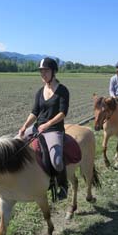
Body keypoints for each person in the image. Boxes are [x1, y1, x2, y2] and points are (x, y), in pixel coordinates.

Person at [18, 57, 69, 200]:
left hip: (54, 130)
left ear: (53, 72)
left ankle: (63, 186)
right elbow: (34, 112)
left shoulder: (62, 90)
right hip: (37, 128)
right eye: (41, 71)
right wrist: (24, 126)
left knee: (57, 160)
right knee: (15, 144)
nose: (43, 74)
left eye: (46, 71)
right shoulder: (40, 92)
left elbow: (63, 113)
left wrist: (48, 124)